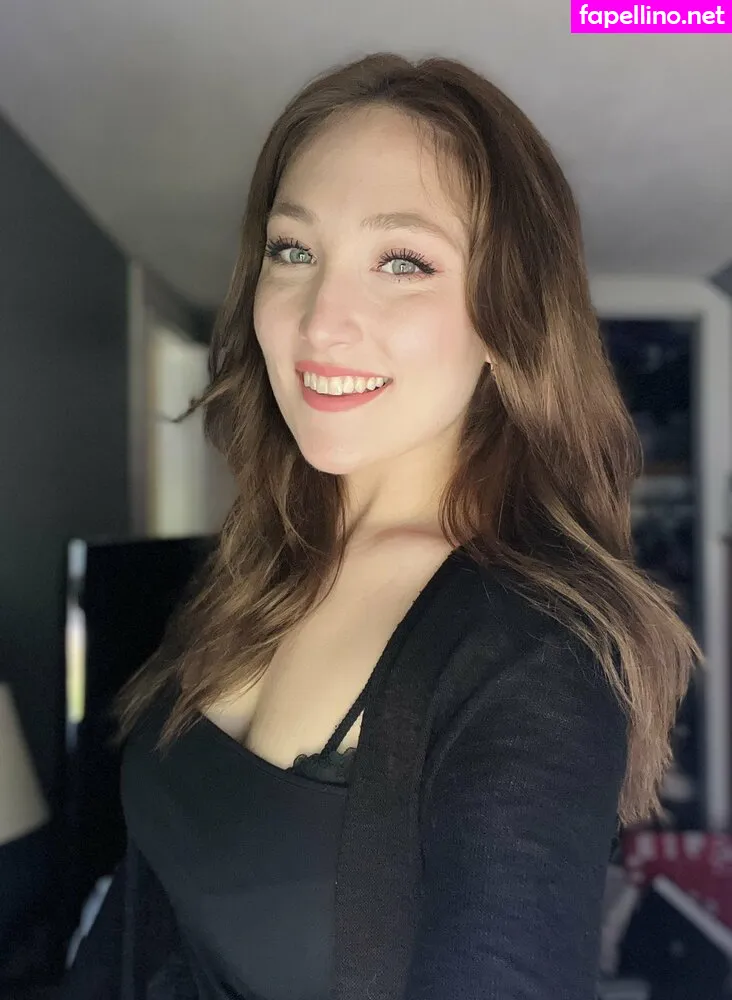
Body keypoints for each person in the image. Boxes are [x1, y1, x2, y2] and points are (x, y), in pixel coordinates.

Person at [61, 52, 699, 1000]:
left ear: (510, 316)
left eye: (403, 261)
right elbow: (148, 908)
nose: (321, 322)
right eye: (293, 250)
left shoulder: (535, 653)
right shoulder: (262, 563)